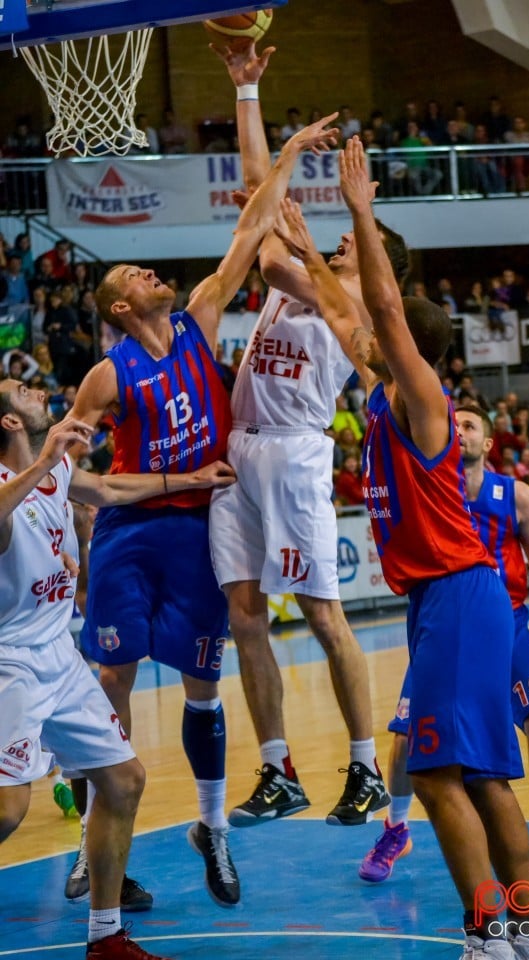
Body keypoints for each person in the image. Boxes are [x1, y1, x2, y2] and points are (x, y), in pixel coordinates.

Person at [273, 137, 529, 960]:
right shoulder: (383, 395)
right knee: (484, 778)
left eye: (379, 339)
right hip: (450, 599)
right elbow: (345, 314)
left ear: (407, 351)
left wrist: (361, 215)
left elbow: (383, 316)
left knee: (433, 776)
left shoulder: (424, 398)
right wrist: (306, 252)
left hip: (460, 594)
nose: (360, 338)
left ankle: (487, 934)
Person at [63, 109, 339, 906]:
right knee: (110, 677)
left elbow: (253, 227)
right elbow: (65, 470)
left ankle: (213, 829)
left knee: (201, 686)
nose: (154, 276)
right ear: (119, 308)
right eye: (137, 278)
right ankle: (93, 844)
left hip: (195, 530)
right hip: (128, 532)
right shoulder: (107, 377)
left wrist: (284, 153)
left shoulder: (199, 320)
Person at [209, 42, 395, 827]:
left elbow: (269, 248)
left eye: (357, 244)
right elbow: (260, 200)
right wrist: (249, 93)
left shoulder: (351, 309)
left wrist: (285, 164)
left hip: (293, 454)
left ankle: (364, 767)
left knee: (323, 616)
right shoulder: (317, 276)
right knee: (245, 614)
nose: (346, 241)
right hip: (240, 448)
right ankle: (277, 768)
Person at [0, 379, 236, 959]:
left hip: (59, 652)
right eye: (19, 390)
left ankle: (105, 937)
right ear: (8, 422)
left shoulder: (56, 473)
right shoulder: (12, 482)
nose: (33, 389)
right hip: (9, 663)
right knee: (9, 808)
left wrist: (192, 480)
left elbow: (108, 486)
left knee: (124, 779)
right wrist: (49, 459)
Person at [359, 405, 529, 896]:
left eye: (470, 426)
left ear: (487, 444)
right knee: (404, 735)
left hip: (507, 621)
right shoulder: (431, 490)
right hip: (447, 621)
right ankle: (396, 830)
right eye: (452, 423)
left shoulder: (516, 496)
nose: (458, 431)